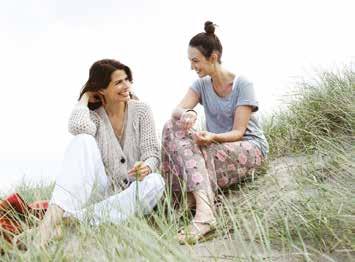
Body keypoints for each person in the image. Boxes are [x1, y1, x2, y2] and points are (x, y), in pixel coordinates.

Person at [36, 59, 164, 246]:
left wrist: (146, 166)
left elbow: (152, 151)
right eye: (118, 82)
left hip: (132, 190)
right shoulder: (95, 117)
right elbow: (78, 126)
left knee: (156, 182)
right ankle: (51, 221)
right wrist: (85, 97)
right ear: (102, 89)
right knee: (83, 139)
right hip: (103, 191)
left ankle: (71, 220)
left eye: (127, 79)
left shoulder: (142, 110)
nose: (126, 85)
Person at [161, 21, 269, 244]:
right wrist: (187, 113)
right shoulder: (200, 85)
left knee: (198, 149)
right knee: (171, 126)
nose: (192, 67)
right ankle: (188, 199)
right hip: (216, 149)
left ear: (213, 56)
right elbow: (176, 111)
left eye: (195, 61)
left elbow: (239, 132)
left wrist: (212, 137)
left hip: (249, 148)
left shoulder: (242, 84)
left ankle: (205, 214)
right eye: (190, 61)